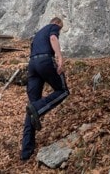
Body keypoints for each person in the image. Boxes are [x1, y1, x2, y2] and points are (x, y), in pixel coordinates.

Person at [20, 17, 70, 161]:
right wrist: (60, 58)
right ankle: (37, 109)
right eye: (61, 28)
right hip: (45, 61)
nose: (59, 30)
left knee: (32, 105)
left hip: (32, 66)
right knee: (63, 91)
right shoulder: (52, 27)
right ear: (58, 24)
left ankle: (26, 151)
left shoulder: (37, 34)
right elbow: (53, 38)